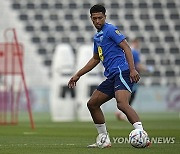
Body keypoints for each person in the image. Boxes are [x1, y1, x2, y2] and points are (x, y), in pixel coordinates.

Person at [68, 4, 150, 148]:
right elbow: (95, 59)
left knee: (122, 103)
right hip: (111, 76)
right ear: (91, 19)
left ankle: (142, 134)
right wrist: (77, 75)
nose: (98, 21)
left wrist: (132, 69)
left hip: (122, 72)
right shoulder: (97, 37)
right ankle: (104, 139)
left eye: (100, 18)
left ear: (105, 17)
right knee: (92, 104)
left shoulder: (111, 29)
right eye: (95, 18)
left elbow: (126, 47)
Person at [115, 38, 154, 120]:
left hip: (124, 75)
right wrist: (147, 69)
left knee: (126, 94)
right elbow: (138, 65)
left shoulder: (126, 50)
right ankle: (122, 112)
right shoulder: (134, 52)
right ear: (135, 43)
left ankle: (120, 112)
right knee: (131, 95)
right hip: (132, 77)